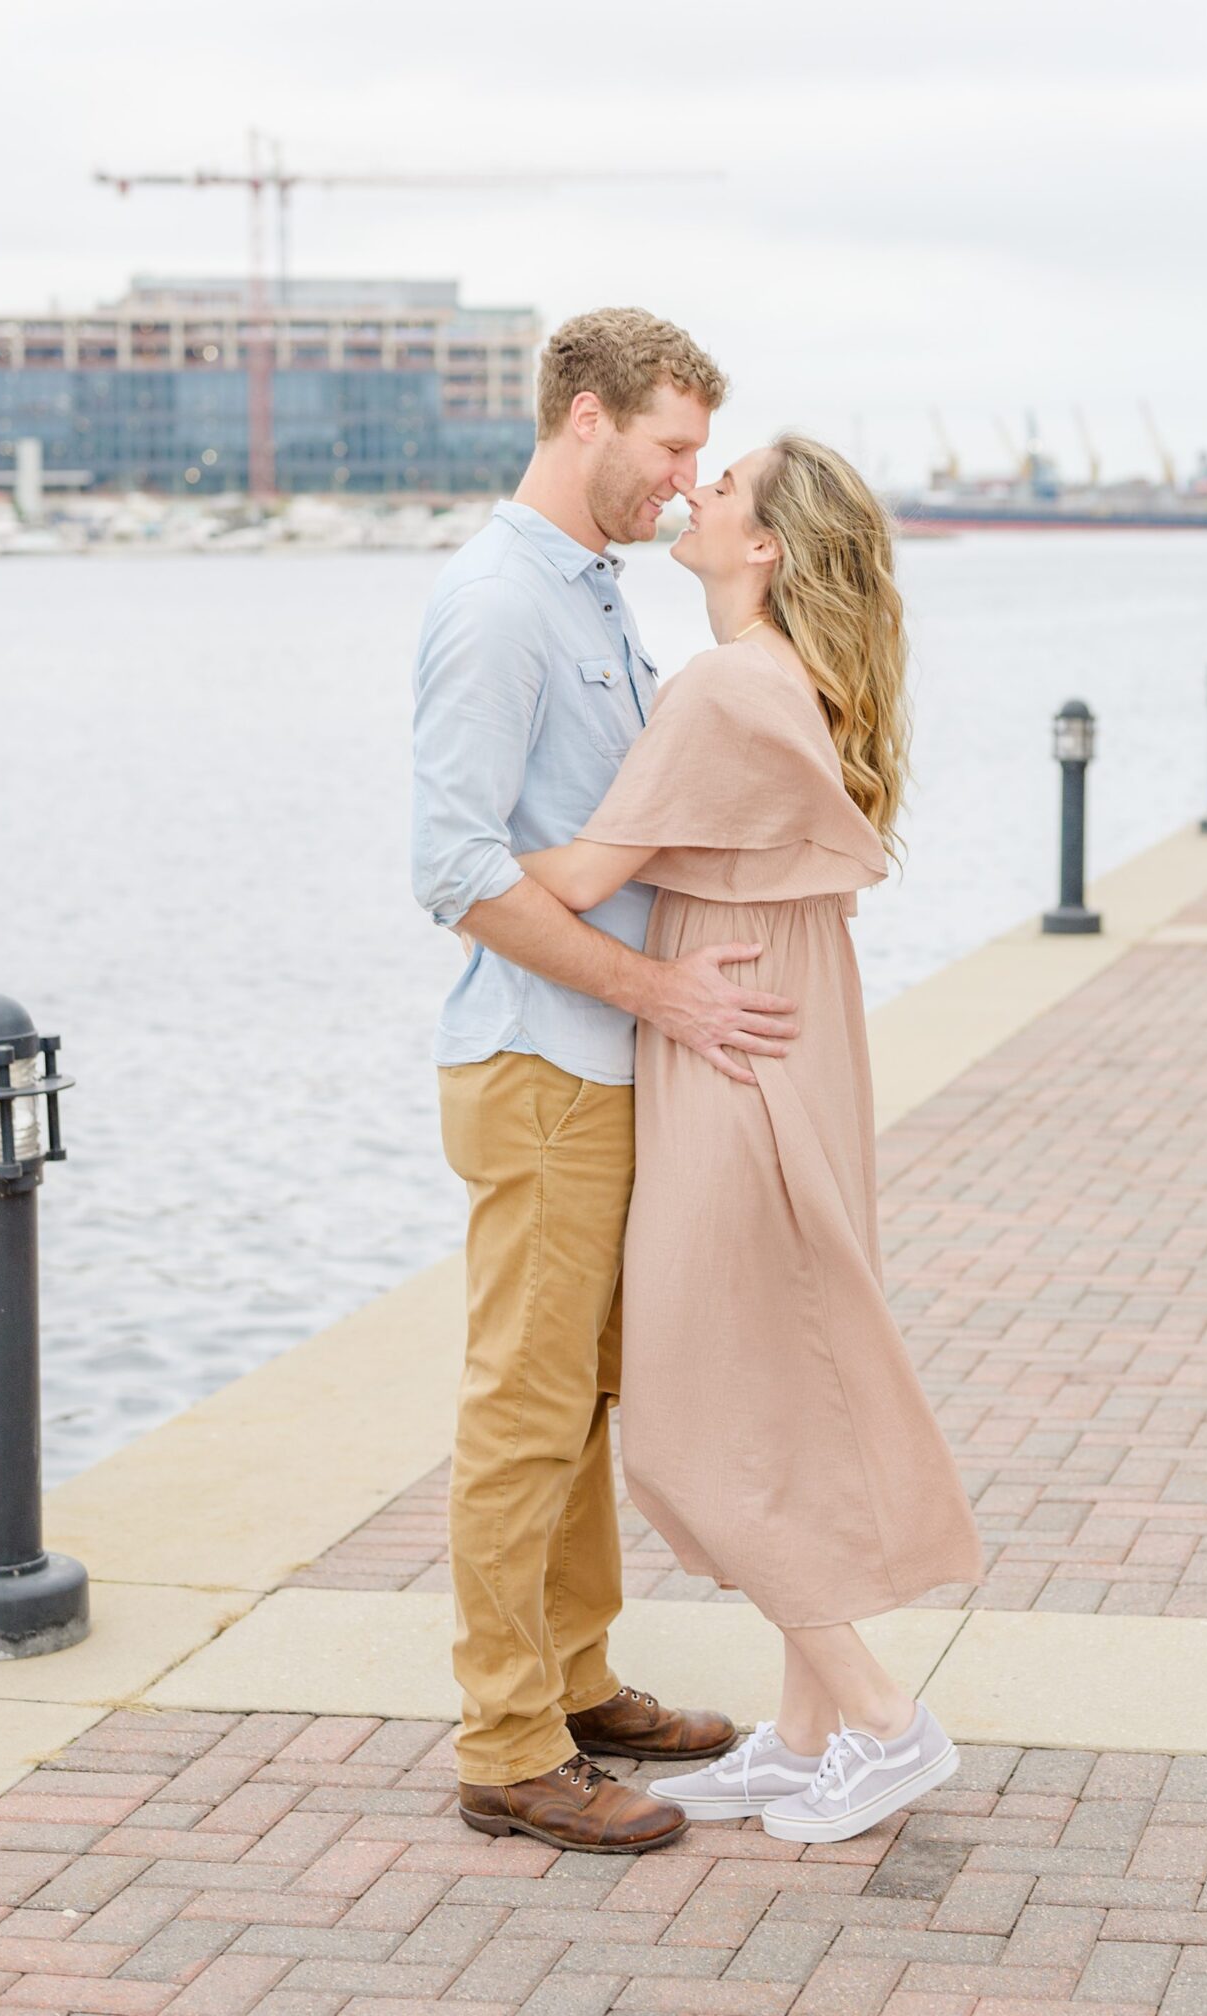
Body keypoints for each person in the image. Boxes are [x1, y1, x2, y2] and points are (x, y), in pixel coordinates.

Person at [515, 433, 983, 1845]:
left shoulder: (725, 687)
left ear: (766, 544)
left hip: (735, 1050)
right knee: (779, 1375)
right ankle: (806, 1732)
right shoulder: (790, 678)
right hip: (792, 1027)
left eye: (723, 489)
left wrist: (458, 852)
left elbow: (579, 877)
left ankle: (885, 1718)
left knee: (695, 1414)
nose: (696, 492)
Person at [411, 309, 801, 1856]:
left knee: (579, 1402)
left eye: (701, 453)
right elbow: (452, 871)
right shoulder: (501, 604)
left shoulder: (595, 598)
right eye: (670, 448)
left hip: (597, 1065)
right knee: (525, 1408)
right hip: (542, 1066)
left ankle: (573, 1681)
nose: (684, 480)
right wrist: (659, 995)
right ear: (585, 419)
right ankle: (508, 1744)